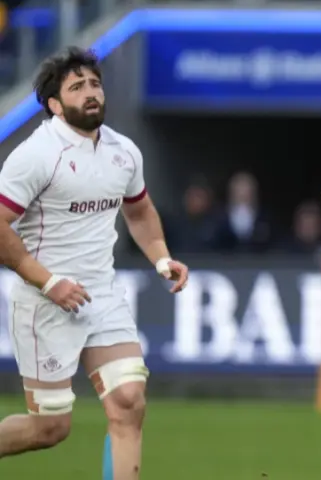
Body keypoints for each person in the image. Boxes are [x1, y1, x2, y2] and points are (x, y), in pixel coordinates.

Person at [0, 48, 190, 480]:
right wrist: (49, 283)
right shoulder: (36, 155)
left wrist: (161, 258)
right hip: (44, 302)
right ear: (54, 105)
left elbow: (139, 211)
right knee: (50, 428)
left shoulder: (124, 151)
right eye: (77, 87)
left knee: (129, 401)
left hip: (101, 296)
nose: (91, 93)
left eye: (95, 84)